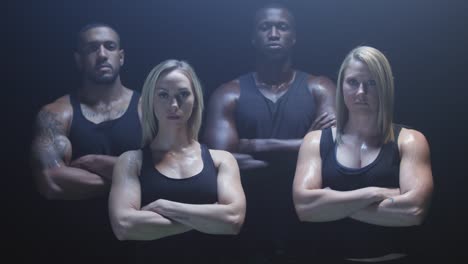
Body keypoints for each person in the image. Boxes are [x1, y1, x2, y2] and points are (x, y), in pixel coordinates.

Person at [203, 3, 336, 262]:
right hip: (247, 224)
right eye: (265, 27)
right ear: (254, 37)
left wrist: (250, 145)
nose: (274, 33)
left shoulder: (319, 87)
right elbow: (219, 161)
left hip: (308, 222)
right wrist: (304, 146)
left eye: (282, 27)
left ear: (293, 36)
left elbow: (332, 151)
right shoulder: (229, 93)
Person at [292, 46, 434, 263]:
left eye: (371, 83)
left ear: (385, 86)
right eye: (353, 82)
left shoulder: (410, 140)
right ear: (341, 85)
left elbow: (413, 211)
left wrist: (330, 204)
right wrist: (375, 193)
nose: (361, 92)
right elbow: (304, 209)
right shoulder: (316, 141)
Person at [108, 60, 246, 264]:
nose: (173, 105)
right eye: (163, 95)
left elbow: (233, 221)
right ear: (151, 101)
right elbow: (124, 226)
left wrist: (165, 207)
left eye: (183, 94)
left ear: (196, 100)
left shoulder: (221, 160)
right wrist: (210, 217)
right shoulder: (131, 161)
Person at [30, 23, 141, 262]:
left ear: (121, 57)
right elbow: (51, 182)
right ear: (79, 59)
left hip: (141, 247)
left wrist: (100, 166)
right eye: (92, 48)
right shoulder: (56, 114)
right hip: (75, 247)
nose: (102, 54)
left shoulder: (149, 110)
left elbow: (173, 171)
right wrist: (135, 178)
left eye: (109, 47)